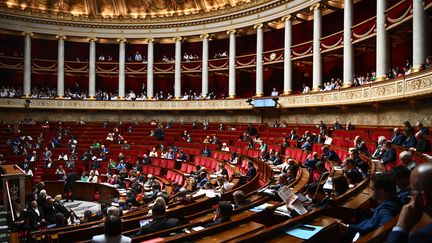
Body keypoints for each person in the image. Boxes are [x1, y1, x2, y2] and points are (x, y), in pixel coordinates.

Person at [340, 173, 401, 241]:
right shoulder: (394, 200)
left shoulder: (386, 209)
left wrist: (348, 228)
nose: (370, 192)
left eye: (372, 189)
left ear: (381, 192)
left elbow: (385, 229)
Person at [387, 163, 432, 243]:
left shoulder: (422, 237)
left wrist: (401, 226)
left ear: (424, 197)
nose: (411, 194)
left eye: (413, 191)